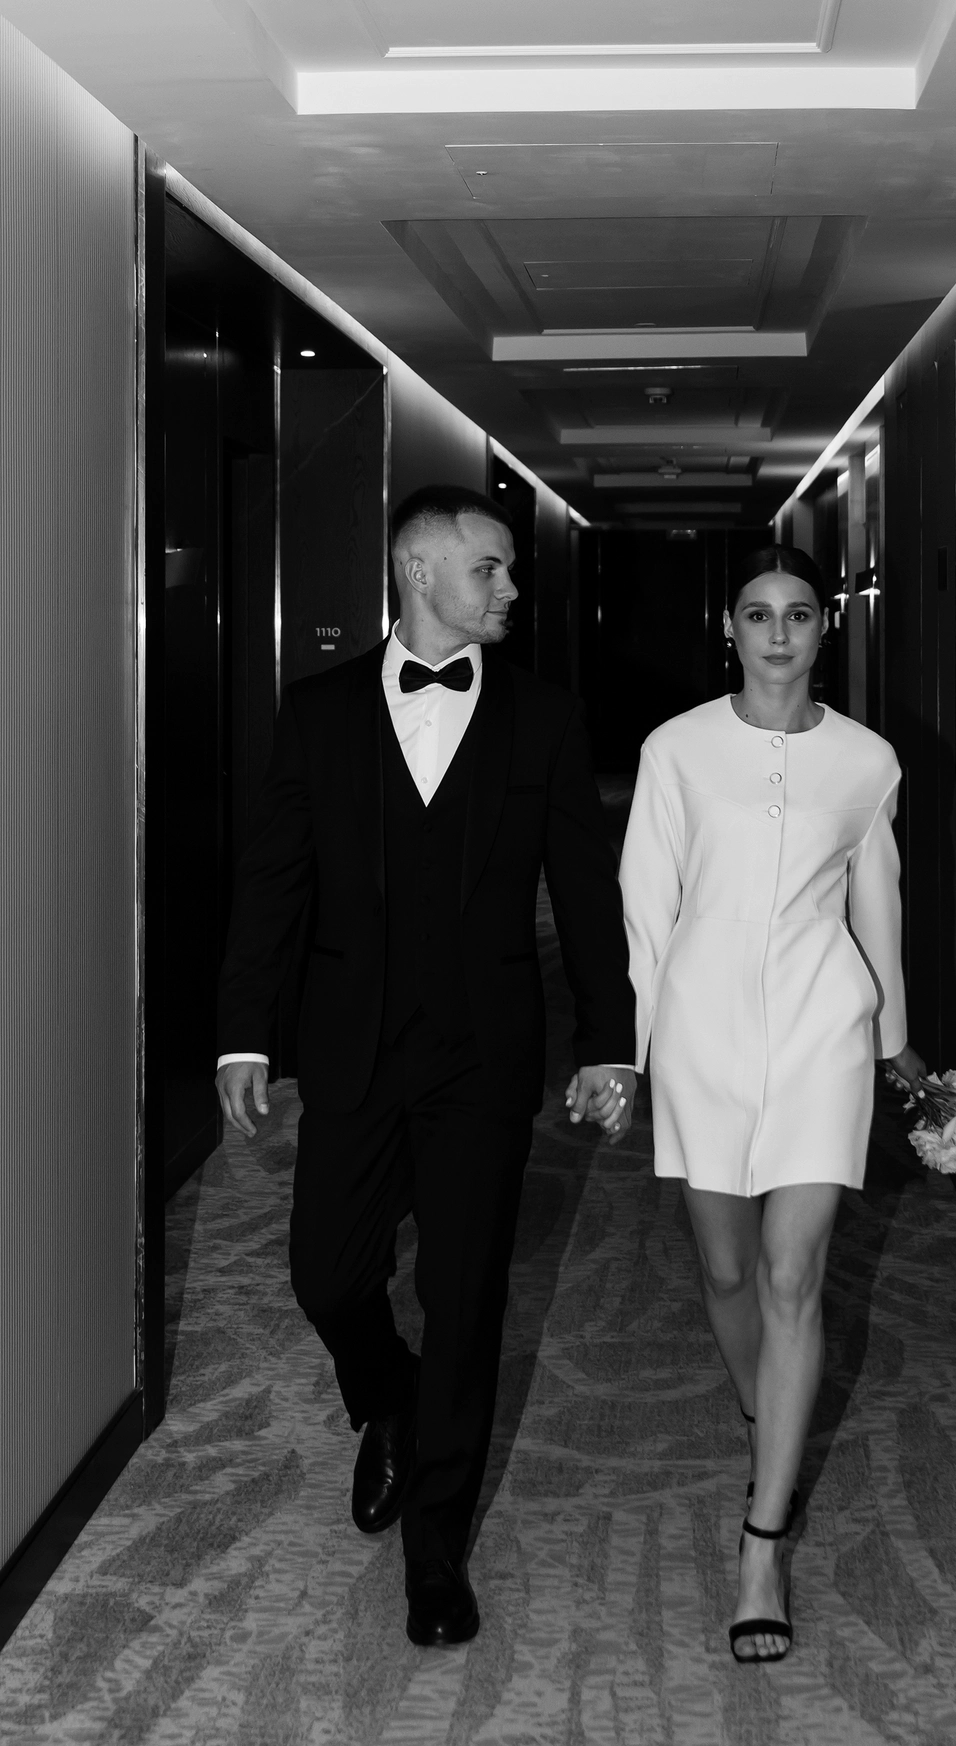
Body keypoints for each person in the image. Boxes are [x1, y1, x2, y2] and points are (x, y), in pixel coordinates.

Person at [215, 484, 637, 1648]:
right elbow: (273, 882)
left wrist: (608, 1040)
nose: (511, 588)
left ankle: (436, 1551)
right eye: (490, 568)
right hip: (351, 1047)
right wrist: (245, 1029)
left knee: (465, 1296)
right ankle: (389, 1398)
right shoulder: (318, 712)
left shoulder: (544, 718)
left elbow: (585, 894)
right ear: (419, 571)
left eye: (508, 571)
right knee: (324, 1274)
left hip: (482, 1059)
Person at [618, 544, 925, 1666]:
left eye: (799, 613)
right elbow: (645, 903)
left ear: (823, 627)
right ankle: (767, 1423)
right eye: (759, 614)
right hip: (699, 1027)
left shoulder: (867, 760)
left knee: (795, 1275)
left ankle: (763, 1543)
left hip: (819, 1028)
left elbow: (878, 904)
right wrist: (633, 1053)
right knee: (728, 1270)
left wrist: (894, 1047)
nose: (780, 633)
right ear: (731, 629)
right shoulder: (676, 749)